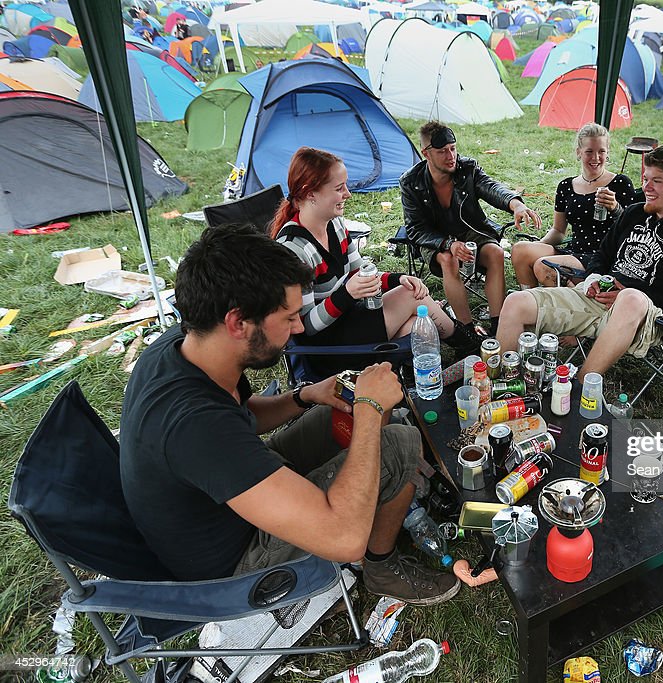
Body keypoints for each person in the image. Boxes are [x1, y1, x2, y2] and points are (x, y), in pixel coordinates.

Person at [119, 224, 460, 606]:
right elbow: (343, 540)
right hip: (232, 563)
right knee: (398, 442)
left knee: (378, 421)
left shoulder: (189, 346)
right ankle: (380, 568)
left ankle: (382, 502)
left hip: (230, 496)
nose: (299, 327)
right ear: (237, 322)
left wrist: (304, 396)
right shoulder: (195, 427)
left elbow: (242, 415)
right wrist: (370, 407)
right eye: (289, 317)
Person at [497, 143, 663, 376]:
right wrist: (595, 278)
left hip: (648, 318)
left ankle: (580, 389)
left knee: (631, 298)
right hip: (598, 301)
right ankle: (504, 387)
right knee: (515, 302)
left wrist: (628, 293)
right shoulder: (634, 213)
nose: (647, 187)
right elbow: (602, 255)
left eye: (657, 181)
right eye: (645, 178)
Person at [271, 147, 480, 378]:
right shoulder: (295, 249)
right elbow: (306, 326)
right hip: (327, 346)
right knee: (410, 297)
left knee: (415, 325)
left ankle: (430, 369)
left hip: (350, 318)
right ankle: (469, 345)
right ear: (310, 193)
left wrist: (398, 278)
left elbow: (360, 272)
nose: (348, 194)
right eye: (339, 188)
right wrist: (347, 294)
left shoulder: (335, 224)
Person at [401, 121, 541, 335]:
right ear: (426, 154)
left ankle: (498, 325)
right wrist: (448, 244)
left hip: (468, 230)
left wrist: (517, 204)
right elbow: (415, 229)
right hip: (434, 238)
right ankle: (465, 330)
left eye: (453, 149)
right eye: (442, 152)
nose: (451, 156)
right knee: (448, 260)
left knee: (495, 252)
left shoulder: (468, 169)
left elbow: (492, 188)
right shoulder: (411, 182)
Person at [511, 123, 635, 288]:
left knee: (544, 266)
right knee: (520, 250)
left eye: (601, 151)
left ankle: (573, 299)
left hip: (602, 257)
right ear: (579, 152)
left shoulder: (620, 183)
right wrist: (537, 246)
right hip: (574, 250)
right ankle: (529, 300)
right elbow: (558, 231)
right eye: (589, 151)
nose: (596, 158)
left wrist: (616, 208)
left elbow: (634, 230)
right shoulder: (566, 186)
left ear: (608, 153)